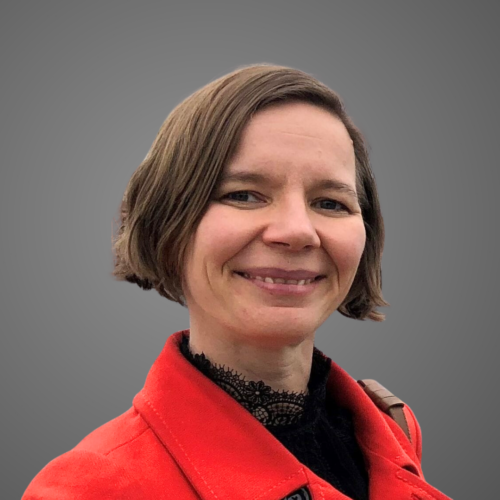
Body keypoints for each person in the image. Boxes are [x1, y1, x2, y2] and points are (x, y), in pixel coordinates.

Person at [22, 64, 452, 500]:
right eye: (243, 195)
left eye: (330, 202)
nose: (297, 231)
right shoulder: (90, 489)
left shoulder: (392, 427)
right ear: (166, 224)